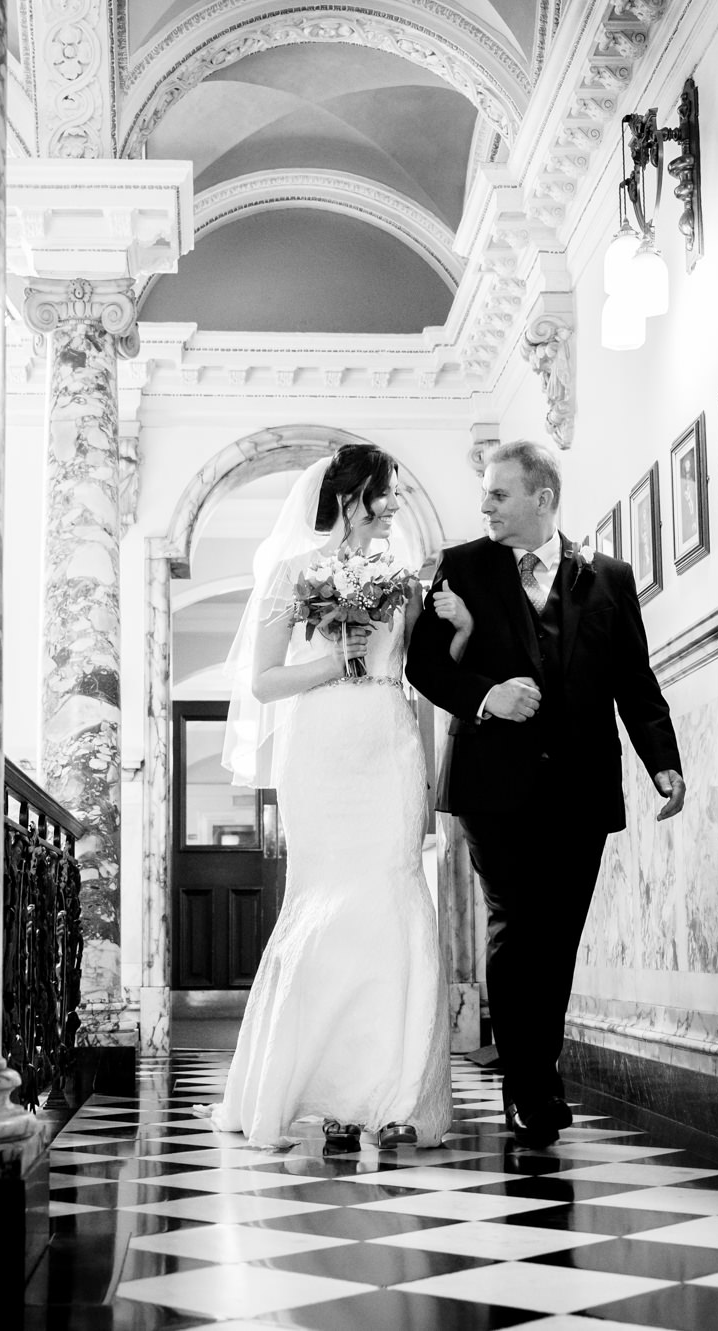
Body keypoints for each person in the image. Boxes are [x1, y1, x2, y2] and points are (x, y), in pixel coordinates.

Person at [406, 440, 684, 1148]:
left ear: (542, 498)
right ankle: (528, 1087)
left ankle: (538, 1072)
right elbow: (424, 665)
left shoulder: (609, 578)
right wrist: (487, 696)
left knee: (556, 937)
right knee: (515, 919)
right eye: (485, 494)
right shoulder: (463, 566)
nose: (485, 505)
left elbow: (635, 680)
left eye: (499, 493)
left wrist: (664, 761)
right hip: (491, 785)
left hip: (582, 785)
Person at [202, 445, 451, 1151]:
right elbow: (264, 681)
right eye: (386, 493)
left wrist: (428, 776)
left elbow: (415, 680)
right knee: (328, 901)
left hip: (388, 742)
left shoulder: (404, 578)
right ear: (351, 496)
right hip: (321, 752)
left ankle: (397, 1093)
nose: (395, 506)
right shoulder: (292, 572)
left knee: (395, 897)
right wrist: (332, 662)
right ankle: (327, 1091)